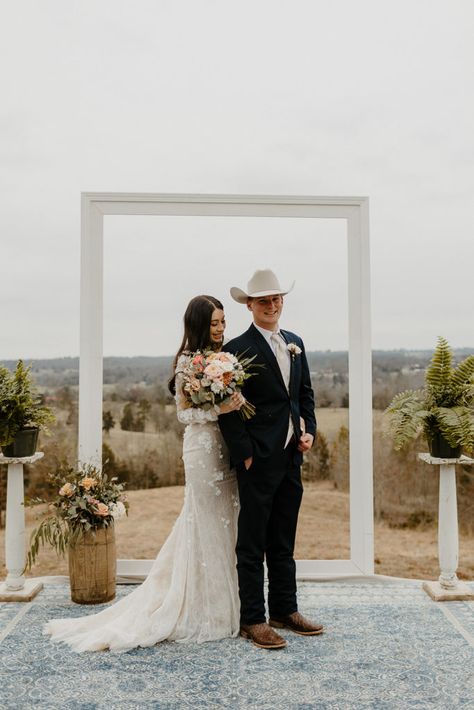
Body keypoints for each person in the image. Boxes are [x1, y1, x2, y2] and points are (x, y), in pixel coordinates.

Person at [44, 295, 243, 652]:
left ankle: (230, 602)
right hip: (201, 450)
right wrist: (221, 408)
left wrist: (231, 404)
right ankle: (203, 607)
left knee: (228, 520)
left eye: (223, 321)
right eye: (214, 323)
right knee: (204, 521)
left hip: (226, 448)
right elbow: (185, 414)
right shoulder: (187, 363)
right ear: (199, 324)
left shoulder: (225, 358)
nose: (220, 328)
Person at [218, 269, 324, 650]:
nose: (273, 304)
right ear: (250, 305)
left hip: (292, 456)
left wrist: (308, 429)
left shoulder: (295, 343)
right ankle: (253, 619)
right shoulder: (236, 349)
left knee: (283, 539)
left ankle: (285, 609)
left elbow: (304, 396)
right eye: (264, 300)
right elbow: (227, 409)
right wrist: (244, 454)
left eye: (277, 298)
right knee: (252, 543)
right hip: (257, 459)